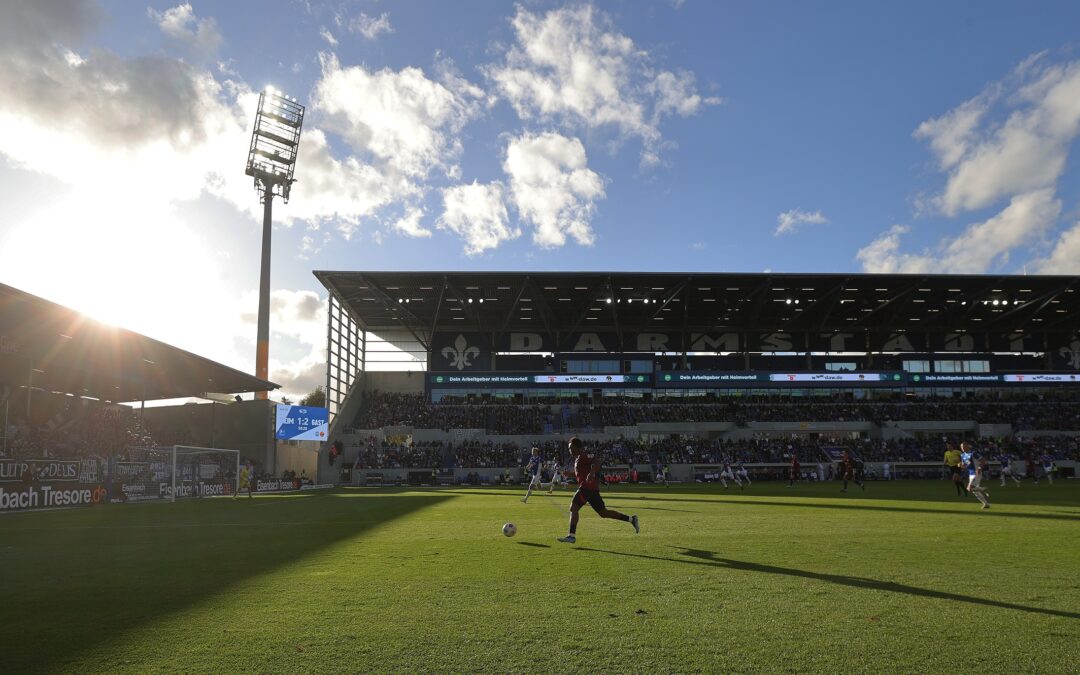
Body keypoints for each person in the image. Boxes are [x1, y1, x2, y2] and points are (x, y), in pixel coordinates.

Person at [557, 437, 638, 544]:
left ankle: (571, 536)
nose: (570, 450)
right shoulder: (578, 459)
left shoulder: (584, 455)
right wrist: (570, 474)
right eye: (569, 448)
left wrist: (592, 473)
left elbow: (597, 461)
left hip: (587, 488)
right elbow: (581, 473)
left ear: (577, 447)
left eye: (571, 448)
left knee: (573, 508)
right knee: (603, 513)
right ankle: (631, 519)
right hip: (591, 489)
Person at [960, 442, 990, 510]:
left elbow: (983, 460)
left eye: (964, 446)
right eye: (961, 447)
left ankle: (984, 489)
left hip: (977, 472)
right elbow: (965, 465)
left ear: (967, 446)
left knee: (969, 488)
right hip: (971, 474)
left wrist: (979, 468)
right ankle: (986, 504)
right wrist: (961, 466)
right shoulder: (962, 455)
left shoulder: (973, 453)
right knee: (974, 491)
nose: (963, 448)